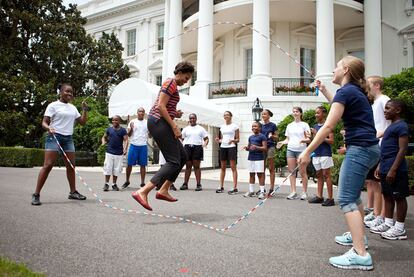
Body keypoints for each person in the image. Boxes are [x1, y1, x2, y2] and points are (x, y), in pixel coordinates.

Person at [298, 56, 380, 270]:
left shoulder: (347, 92)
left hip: (360, 149)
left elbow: (327, 126)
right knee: (353, 197)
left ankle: (360, 254)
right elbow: (338, 105)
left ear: (345, 70)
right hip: (369, 148)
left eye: (336, 66)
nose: (333, 69)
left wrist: (307, 151)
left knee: (345, 199)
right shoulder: (352, 91)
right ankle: (359, 238)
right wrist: (325, 91)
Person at [131, 61, 194, 211]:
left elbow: (165, 106)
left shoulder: (172, 85)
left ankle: (164, 189)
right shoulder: (170, 82)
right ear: (179, 72)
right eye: (186, 77)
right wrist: (174, 127)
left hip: (161, 122)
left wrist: (175, 113)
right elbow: (160, 106)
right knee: (173, 161)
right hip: (159, 122)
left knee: (183, 156)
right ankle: (143, 191)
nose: (187, 80)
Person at [31, 83, 88, 205]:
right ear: (60, 92)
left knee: (71, 166)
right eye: (67, 91)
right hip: (54, 137)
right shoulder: (53, 105)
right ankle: (36, 194)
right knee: (48, 165)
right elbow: (44, 123)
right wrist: (49, 128)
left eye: (71, 92)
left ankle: (73, 192)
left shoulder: (73, 108)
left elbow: (82, 122)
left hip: (68, 139)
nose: (70, 94)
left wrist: (84, 109)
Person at [372, 100, 409, 240]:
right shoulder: (391, 126)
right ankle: (388, 223)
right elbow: (386, 149)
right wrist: (380, 165)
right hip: (385, 167)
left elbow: (402, 149)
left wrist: (393, 169)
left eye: (388, 108)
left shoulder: (401, 126)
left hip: (396, 169)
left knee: (399, 197)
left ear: (398, 110)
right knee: (387, 195)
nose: (385, 110)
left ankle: (399, 228)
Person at [364, 76, 391, 229]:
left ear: (377, 85)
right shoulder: (374, 103)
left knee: (379, 183)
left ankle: (381, 216)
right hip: (375, 144)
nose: (366, 87)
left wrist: (381, 133)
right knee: (373, 182)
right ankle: (376, 213)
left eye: (369, 84)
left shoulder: (384, 99)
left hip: (383, 145)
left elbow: (392, 120)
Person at [277, 107, 310, 200]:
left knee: (303, 172)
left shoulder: (305, 125)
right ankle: (293, 192)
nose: (295, 113)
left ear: (301, 113)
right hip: (290, 150)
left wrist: (303, 140)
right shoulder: (289, 125)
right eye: (294, 112)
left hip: (301, 151)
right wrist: (282, 143)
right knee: (292, 172)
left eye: (297, 111)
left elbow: (308, 139)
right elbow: (288, 139)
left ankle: (304, 192)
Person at [308, 106, 335, 206]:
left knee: (326, 175)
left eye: (318, 113)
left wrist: (318, 134)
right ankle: (319, 196)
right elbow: (314, 141)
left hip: (325, 153)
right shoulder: (315, 126)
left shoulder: (328, 126)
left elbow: (331, 141)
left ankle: (330, 198)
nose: (316, 115)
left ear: (324, 114)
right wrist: (309, 137)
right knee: (318, 175)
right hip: (316, 154)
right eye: (315, 113)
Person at [180, 114, 209, 191]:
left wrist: (205, 143)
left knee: (196, 166)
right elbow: (182, 139)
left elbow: (206, 138)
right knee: (188, 166)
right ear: (189, 119)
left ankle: (198, 184)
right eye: (190, 118)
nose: (192, 119)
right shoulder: (185, 129)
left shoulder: (201, 129)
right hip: (187, 147)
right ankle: (185, 184)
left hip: (197, 147)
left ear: (196, 119)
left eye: (193, 118)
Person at [122, 107, 149, 189]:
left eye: (143, 112)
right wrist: (132, 129)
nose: (141, 113)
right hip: (133, 145)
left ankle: (142, 182)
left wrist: (150, 132)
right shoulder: (132, 121)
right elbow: (128, 135)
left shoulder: (147, 122)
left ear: (144, 113)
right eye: (140, 111)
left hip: (143, 145)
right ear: (137, 113)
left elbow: (150, 136)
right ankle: (127, 181)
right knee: (129, 164)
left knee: (143, 165)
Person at [215, 111, 239, 195]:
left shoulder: (235, 126)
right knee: (222, 167)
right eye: (225, 115)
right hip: (223, 147)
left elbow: (237, 140)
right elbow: (221, 138)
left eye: (227, 115)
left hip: (231, 147)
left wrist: (233, 140)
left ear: (231, 116)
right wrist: (219, 140)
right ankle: (221, 186)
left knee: (233, 167)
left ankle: (235, 187)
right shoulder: (222, 127)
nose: (226, 116)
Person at [101, 115, 128, 191]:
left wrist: (125, 149)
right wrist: (103, 142)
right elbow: (104, 137)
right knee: (108, 167)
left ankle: (114, 184)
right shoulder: (109, 129)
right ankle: (106, 184)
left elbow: (126, 140)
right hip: (109, 152)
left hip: (119, 153)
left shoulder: (123, 130)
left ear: (119, 121)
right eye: (113, 120)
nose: (114, 121)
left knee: (117, 169)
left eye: (116, 120)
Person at [243, 122, 267, 200]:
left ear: (260, 128)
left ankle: (262, 192)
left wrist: (256, 147)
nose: (253, 127)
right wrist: (247, 148)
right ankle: (251, 191)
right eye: (252, 126)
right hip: (251, 158)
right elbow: (250, 147)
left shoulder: (262, 137)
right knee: (251, 174)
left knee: (260, 174)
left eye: (255, 126)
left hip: (259, 158)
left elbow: (265, 148)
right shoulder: (250, 137)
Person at [260, 109, 279, 196]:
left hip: (270, 147)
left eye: (264, 114)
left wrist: (272, 136)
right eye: (262, 114)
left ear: (269, 115)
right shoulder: (260, 126)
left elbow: (277, 137)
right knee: (262, 169)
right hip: (262, 148)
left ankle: (271, 188)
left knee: (271, 168)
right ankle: (262, 188)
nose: (263, 115)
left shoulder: (273, 125)